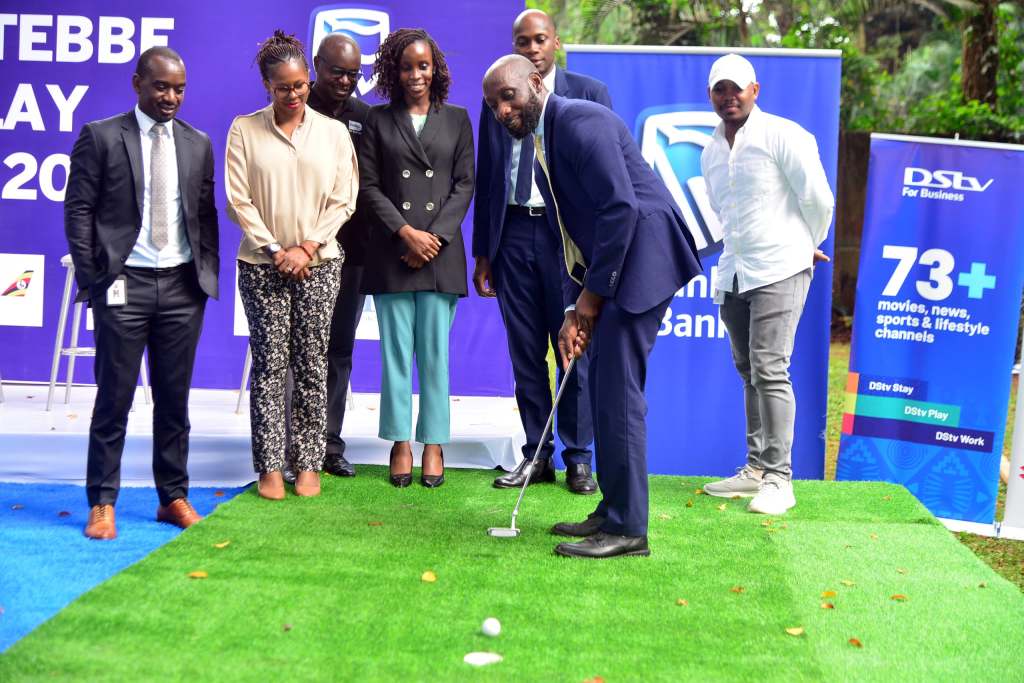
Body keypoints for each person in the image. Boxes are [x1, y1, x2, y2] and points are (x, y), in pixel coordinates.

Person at [482, 56, 701, 559]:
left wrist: (590, 299)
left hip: (643, 262)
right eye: (493, 103)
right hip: (616, 267)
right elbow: (574, 232)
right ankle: (612, 510)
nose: (501, 109)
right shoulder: (545, 137)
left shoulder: (581, 122)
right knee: (603, 389)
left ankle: (629, 529)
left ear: (536, 84)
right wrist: (572, 309)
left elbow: (620, 209)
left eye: (508, 96)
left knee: (619, 396)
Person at [64, 46, 220, 539]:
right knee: (115, 397)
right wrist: (96, 278)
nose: (171, 96)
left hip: (180, 287)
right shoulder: (101, 136)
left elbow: (205, 216)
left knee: (175, 402)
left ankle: (172, 497)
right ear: (138, 83)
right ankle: (102, 502)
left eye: (178, 88)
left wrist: (204, 277)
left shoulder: (198, 142)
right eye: (161, 86)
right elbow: (79, 212)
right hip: (122, 284)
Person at [473, 9, 610, 495]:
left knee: (571, 349)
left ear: (555, 42)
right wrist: (483, 252)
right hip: (512, 235)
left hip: (564, 241)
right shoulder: (498, 95)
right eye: (521, 40)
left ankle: (578, 459)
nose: (531, 47)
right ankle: (536, 454)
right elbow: (488, 175)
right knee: (525, 352)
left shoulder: (587, 94)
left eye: (539, 39)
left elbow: (602, 178)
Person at [699, 54, 834, 515]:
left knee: (770, 367)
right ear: (711, 95)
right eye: (721, 89)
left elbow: (817, 198)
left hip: (781, 266)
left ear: (756, 89)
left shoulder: (784, 135)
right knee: (748, 369)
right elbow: (724, 212)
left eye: (737, 87)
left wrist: (805, 244)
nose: (729, 96)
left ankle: (780, 479)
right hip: (736, 269)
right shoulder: (710, 151)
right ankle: (755, 470)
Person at [225, 31, 358, 500]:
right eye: (284, 87)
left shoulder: (335, 132)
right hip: (261, 266)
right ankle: (269, 466)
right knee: (269, 365)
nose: (295, 94)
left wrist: (306, 247)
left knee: (311, 363)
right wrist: (275, 249)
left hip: (319, 264)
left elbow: (344, 199)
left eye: (300, 84)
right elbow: (238, 198)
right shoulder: (244, 128)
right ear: (267, 85)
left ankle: (308, 462)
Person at [359, 28, 474, 488]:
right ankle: (400, 442)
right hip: (393, 253)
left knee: (435, 356)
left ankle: (434, 443)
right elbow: (368, 186)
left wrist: (433, 238)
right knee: (394, 357)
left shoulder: (459, 119)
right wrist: (406, 233)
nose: (415, 75)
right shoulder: (377, 120)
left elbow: (464, 184)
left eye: (423, 65)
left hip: (440, 258)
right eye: (406, 66)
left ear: (436, 69)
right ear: (393, 70)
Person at [302, 32, 372, 479]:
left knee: (338, 350)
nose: (345, 81)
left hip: (352, 252)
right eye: (337, 72)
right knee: (299, 351)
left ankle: (329, 443)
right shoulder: (293, 105)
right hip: (299, 250)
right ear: (316, 65)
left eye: (353, 74)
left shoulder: (366, 117)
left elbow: (370, 186)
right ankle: (297, 444)